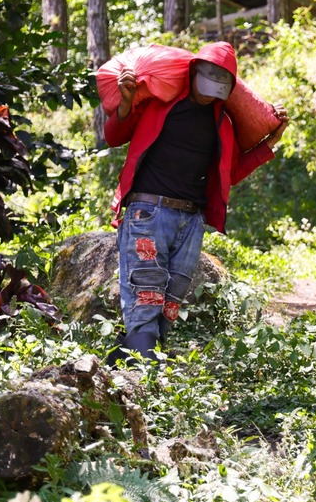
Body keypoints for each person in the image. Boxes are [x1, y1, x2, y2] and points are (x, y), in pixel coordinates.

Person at [103, 41, 289, 366]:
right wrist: (126, 103)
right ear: (192, 71)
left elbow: (229, 174)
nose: (210, 88)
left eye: (220, 82)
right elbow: (114, 136)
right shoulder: (159, 104)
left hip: (189, 223)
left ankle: (129, 368)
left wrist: (268, 144)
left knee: (168, 304)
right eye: (207, 75)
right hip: (147, 213)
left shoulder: (223, 125)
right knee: (144, 297)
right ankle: (144, 376)